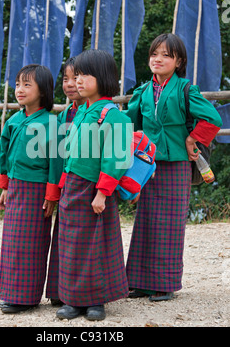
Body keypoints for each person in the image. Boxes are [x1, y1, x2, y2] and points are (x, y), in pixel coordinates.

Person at [124, 33, 222, 301]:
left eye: (166, 55)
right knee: (145, 221)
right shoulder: (142, 91)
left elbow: (212, 118)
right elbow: (127, 123)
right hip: (147, 164)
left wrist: (193, 138)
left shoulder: (185, 89)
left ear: (179, 62)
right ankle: (140, 282)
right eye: (155, 54)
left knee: (169, 224)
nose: (158, 59)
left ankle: (165, 284)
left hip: (177, 164)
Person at [56, 49, 133, 321]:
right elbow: (72, 153)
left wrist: (102, 193)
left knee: (95, 246)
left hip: (95, 190)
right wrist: (64, 183)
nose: (77, 81)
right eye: (75, 75)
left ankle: (96, 302)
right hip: (73, 188)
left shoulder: (113, 115)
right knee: (71, 245)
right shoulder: (79, 113)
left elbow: (117, 157)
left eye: (84, 75)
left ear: (102, 77)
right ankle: (73, 300)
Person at [0, 64, 63, 313]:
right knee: (12, 242)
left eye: (27, 85)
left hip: (37, 191)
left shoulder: (51, 122)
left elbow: (56, 162)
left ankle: (28, 296)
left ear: (43, 91)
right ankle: (13, 293)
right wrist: (5, 186)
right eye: (17, 84)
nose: (19, 90)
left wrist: (51, 195)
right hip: (15, 188)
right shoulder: (14, 120)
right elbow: (5, 154)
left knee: (33, 242)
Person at [45, 57, 87, 305]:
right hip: (67, 184)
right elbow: (57, 155)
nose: (71, 84)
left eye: (77, 78)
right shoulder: (64, 115)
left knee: (86, 238)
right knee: (63, 236)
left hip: (91, 183)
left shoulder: (100, 111)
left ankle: (87, 293)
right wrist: (53, 191)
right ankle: (61, 290)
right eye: (66, 79)